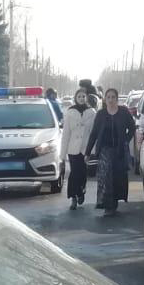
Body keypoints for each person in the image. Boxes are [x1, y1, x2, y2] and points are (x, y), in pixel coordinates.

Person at [87, 87, 136, 215]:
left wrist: (126, 139)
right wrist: (88, 152)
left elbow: (132, 128)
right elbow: (94, 134)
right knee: (106, 176)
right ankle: (107, 205)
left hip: (119, 150)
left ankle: (114, 202)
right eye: (108, 97)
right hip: (105, 150)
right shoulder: (101, 114)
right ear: (105, 99)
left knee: (118, 177)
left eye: (113, 97)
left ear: (117, 99)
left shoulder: (124, 112)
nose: (111, 100)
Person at [59, 87, 97, 209]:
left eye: (83, 96)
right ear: (75, 98)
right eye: (79, 96)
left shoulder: (91, 113)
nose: (81, 98)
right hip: (73, 148)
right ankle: (73, 197)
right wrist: (62, 154)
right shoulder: (70, 112)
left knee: (82, 172)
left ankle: (81, 191)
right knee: (74, 172)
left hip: (85, 148)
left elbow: (93, 133)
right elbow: (66, 134)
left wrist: (93, 150)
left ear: (86, 98)